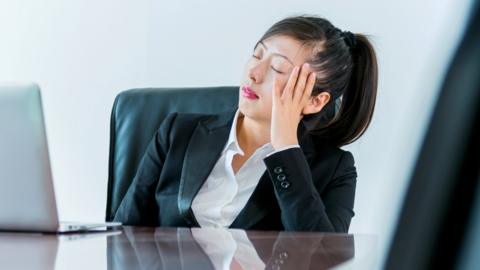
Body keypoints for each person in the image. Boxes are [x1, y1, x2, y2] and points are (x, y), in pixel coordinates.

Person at [113, 15, 378, 233]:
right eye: (257, 54)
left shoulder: (334, 170)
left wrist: (286, 149)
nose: (254, 72)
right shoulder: (177, 133)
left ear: (315, 102)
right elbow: (121, 235)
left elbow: (319, 259)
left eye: (277, 68)